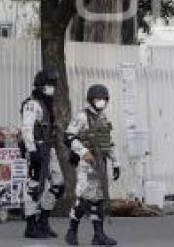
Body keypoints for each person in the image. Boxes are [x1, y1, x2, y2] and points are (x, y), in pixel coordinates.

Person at [64, 84, 121, 246]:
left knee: (98, 200)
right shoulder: (82, 116)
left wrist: (116, 163)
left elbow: (108, 143)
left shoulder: (103, 118)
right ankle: (71, 232)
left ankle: (98, 235)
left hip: (101, 163)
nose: (101, 102)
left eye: (104, 99)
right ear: (91, 100)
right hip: (86, 164)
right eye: (98, 99)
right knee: (84, 199)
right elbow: (68, 137)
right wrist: (83, 152)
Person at [21, 70, 65, 239]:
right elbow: (26, 128)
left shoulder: (47, 104)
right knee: (33, 186)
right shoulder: (32, 104)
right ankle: (30, 225)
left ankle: (44, 222)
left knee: (58, 185)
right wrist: (32, 151)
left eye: (53, 85)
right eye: (49, 85)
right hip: (37, 149)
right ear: (40, 85)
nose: (51, 88)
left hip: (48, 148)